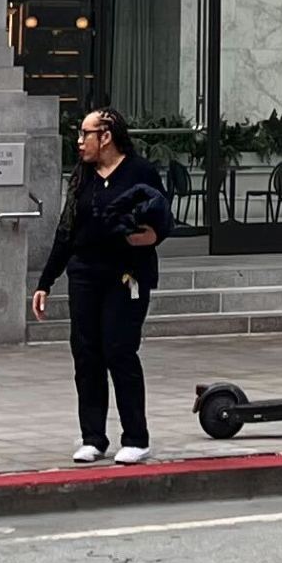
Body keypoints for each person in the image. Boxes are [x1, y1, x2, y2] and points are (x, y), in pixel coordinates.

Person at [30, 108, 172, 466]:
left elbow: (162, 218)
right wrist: (45, 282)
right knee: (86, 353)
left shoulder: (140, 172)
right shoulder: (83, 176)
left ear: (105, 136)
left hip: (126, 276)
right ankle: (93, 437)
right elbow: (66, 232)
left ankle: (136, 438)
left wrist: (151, 237)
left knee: (119, 350)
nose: (79, 141)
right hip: (85, 275)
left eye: (85, 134)